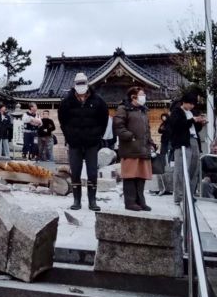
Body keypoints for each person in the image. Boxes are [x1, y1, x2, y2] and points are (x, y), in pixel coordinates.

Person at [58, 72, 109, 211]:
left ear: (87, 83)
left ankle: (92, 200)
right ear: (74, 84)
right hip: (74, 143)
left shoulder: (98, 100)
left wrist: (98, 136)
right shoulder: (67, 102)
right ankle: (77, 200)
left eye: (83, 83)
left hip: (92, 143)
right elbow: (62, 121)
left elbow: (104, 120)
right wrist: (69, 136)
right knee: (75, 172)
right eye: (78, 83)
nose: (81, 86)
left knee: (92, 172)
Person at [114, 87, 156, 211]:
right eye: (142, 94)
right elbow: (118, 126)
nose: (144, 97)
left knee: (141, 175)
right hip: (130, 148)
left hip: (143, 148)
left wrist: (151, 142)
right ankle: (130, 202)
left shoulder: (143, 110)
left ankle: (140, 201)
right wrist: (130, 136)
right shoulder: (123, 109)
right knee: (130, 175)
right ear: (133, 97)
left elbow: (147, 129)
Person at [170, 93, 206, 204]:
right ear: (184, 102)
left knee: (194, 168)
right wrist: (192, 120)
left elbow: (195, 128)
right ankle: (179, 196)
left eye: (193, 104)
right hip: (182, 142)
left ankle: (190, 194)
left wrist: (200, 122)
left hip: (194, 140)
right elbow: (177, 125)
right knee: (181, 169)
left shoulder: (192, 112)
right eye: (190, 103)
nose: (191, 106)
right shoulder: (177, 111)